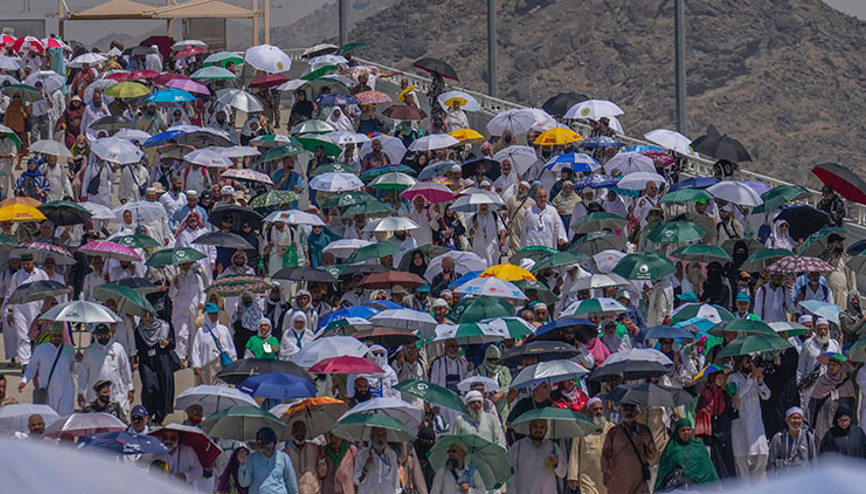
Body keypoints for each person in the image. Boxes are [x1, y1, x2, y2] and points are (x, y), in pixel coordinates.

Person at [729, 355, 771, 481]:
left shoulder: (755, 379)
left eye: (751, 362)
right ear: (740, 363)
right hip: (740, 424)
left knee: (762, 454)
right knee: (741, 461)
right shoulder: (733, 378)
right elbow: (737, 394)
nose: (750, 364)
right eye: (747, 362)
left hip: (756, 424)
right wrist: (751, 378)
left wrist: (759, 381)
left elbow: (767, 395)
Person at [77, 323, 134, 415]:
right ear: (95, 335)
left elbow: (125, 369)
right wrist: (80, 392)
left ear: (110, 334)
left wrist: (130, 388)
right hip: (95, 395)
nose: (103, 337)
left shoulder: (118, 348)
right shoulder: (90, 351)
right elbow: (83, 373)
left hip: (116, 393)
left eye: (105, 334)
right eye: (100, 335)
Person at [18, 325, 75, 415]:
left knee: (66, 419)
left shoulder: (69, 350)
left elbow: (75, 370)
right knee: (49, 419)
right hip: (47, 391)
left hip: (66, 391)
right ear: (50, 335)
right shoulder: (41, 349)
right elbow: (31, 368)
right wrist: (24, 381)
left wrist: (79, 361)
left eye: (59, 336)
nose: (57, 338)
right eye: (54, 335)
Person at [601, 403, 657, 494]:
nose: (628, 412)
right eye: (625, 409)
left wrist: (647, 441)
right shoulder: (614, 432)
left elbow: (652, 456)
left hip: (639, 480)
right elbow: (605, 455)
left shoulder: (644, 430)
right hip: (619, 481)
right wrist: (605, 472)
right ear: (621, 412)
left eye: (631, 409)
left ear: (637, 412)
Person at [134, 311, 176, 425]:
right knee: (149, 387)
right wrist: (133, 360)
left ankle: (160, 415)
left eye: (149, 316)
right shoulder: (139, 330)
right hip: (146, 362)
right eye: (144, 316)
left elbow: (173, 344)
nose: (147, 319)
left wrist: (167, 343)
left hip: (162, 360)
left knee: (162, 387)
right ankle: (148, 413)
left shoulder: (165, 327)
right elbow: (136, 347)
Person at [654, 418, 719, 491]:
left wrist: (717, 484)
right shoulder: (672, 448)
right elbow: (663, 471)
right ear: (677, 432)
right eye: (683, 430)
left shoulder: (699, 447)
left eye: (688, 429)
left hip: (701, 488)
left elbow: (709, 466)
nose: (686, 432)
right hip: (680, 487)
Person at [568, 397, 613, 494]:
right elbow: (575, 453)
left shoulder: (611, 428)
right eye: (595, 409)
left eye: (601, 409)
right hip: (587, 478)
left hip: (606, 476)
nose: (599, 412)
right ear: (588, 411)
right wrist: (572, 476)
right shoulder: (581, 430)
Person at [508, 418, 566, 494]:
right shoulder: (518, 447)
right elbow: (510, 474)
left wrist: (557, 463)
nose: (538, 429)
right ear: (530, 427)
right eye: (535, 426)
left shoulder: (553, 447)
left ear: (546, 429)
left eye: (542, 427)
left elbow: (563, 473)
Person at [808, 353, 855, 442]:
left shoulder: (847, 384)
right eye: (829, 364)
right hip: (823, 421)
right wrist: (809, 423)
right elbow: (813, 404)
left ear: (841, 367)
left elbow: (852, 406)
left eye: (834, 365)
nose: (831, 367)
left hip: (842, 425)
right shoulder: (822, 381)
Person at [238, 426, 300, 493]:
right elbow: (244, 483)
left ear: (272, 442)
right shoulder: (251, 458)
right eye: (258, 439)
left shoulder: (283, 458)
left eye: (263, 439)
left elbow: (291, 483)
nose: (259, 441)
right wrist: (242, 464)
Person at [190, 302, 237, 385]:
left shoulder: (224, 329)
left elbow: (231, 346)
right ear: (206, 315)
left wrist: (234, 361)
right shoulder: (201, 332)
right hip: (206, 366)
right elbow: (196, 350)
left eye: (215, 313)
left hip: (222, 364)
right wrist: (196, 365)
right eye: (211, 314)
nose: (214, 316)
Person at [767, 406, 817, 474]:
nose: (796, 421)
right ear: (786, 420)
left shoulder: (808, 437)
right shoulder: (778, 438)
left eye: (798, 418)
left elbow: (813, 461)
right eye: (793, 418)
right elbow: (771, 463)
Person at [353, 426, 400, 494]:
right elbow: (356, 480)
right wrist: (366, 467)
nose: (380, 438)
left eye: (383, 435)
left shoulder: (391, 455)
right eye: (377, 435)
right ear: (371, 436)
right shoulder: (362, 454)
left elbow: (395, 482)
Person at [285, 421, 322, 494]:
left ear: (306, 432)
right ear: (292, 433)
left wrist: (322, 457)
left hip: (314, 491)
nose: (299, 434)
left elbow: (322, 473)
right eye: (296, 431)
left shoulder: (315, 448)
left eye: (302, 431)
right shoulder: (286, 453)